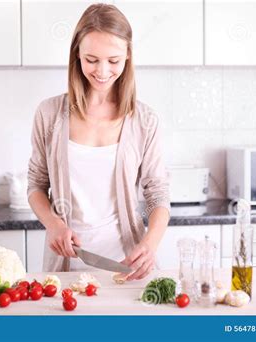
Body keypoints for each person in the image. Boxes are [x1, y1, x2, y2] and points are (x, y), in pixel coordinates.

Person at [27, 3, 170, 281]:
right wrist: (54, 225)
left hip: (127, 268)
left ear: (128, 56)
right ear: (76, 55)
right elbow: (36, 184)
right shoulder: (49, 113)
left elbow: (157, 192)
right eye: (91, 59)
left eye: (113, 60)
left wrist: (150, 245)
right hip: (66, 268)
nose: (102, 71)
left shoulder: (144, 120)